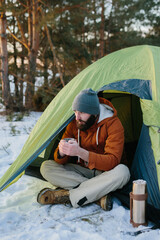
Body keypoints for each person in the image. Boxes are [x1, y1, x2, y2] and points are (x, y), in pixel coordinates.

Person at [37, 88, 130, 210]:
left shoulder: (113, 124)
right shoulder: (75, 123)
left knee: (123, 172)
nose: (77, 117)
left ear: (94, 113)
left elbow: (112, 161)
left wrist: (80, 152)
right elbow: (59, 160)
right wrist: (61, 152)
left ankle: (71, 195)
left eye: (82, 113)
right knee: (46, 167)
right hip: (83, 171)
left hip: (106, 173)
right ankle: (96, 193)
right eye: (75, 111)